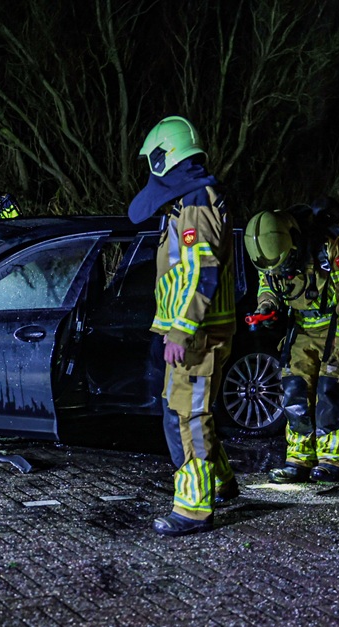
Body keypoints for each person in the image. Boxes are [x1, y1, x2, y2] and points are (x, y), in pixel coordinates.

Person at [127, 115, 238, 537]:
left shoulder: (196, 203)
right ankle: (222, 483)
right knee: (194, 413)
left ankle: (193, 508)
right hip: (200, 331)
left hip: (196, 334)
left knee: (185, 417)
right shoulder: (193, 197)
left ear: (163, 156)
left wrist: (180, 330)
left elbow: (201, 272)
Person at [243, 198, 339, 483]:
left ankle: (333, 460)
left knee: (331, 390)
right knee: (294, 391)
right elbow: (268, 281)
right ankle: (299, 458)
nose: (282, 271)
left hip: (337, 327)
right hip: (299, 328)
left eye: (285, 264)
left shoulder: (334, 242)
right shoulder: (269, 250)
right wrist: (266, 304)